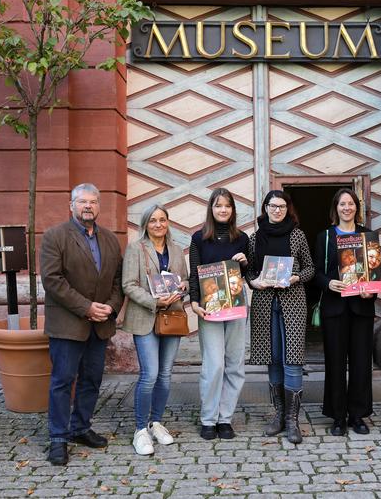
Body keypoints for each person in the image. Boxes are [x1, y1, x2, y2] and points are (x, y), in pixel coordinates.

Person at [40, 183, 124, 466]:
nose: (88, 206)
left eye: (93, 202)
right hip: (68, 324)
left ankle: (80, 427)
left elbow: (117, 281)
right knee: (63, 381)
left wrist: (110, 308)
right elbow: (52, 281)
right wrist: (86, 308)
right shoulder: (55, 237)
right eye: (82, 201)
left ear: (99, 206)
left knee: (92, 380)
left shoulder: (111, 240)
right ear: (71, 205)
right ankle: (58, 438)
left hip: (100, 324)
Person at [247, 190, 314, 444]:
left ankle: (292, 420)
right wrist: (255, 282)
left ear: (288, 209)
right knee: (273, 358)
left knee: (292, 359)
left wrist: (297, 277)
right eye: (273, 206)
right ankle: (278, 414)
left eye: (282, 206)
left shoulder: (297, 235)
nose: (277, 210)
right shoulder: (255, 238)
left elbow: (310, 268)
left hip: (293, 301)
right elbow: (251, 272)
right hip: (265, 303)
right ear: (265, 207)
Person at [122, 204, 189, 456]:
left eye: (162, 220)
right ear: (145, 224)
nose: (158, 224)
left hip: (171, 316)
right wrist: (154, 300)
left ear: (168, 222)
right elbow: (128, 285)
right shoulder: (135, 248)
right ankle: (140, 430)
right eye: (153, 220)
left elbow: (186, 281)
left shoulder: (175, 250)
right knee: (149, 374)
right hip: (145, 317)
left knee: (165, 374)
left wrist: (183, 286)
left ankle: (156, 422)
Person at [313, 188, 377, 436]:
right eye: (342, 204)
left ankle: (358, 415)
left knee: (361, 363)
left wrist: (370, 290)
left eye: (351, 204)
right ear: (335, 208)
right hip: (335, 307)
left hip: (361, 307)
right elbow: (315, 272)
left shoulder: (367, 236)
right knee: (335, 363)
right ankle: (338, 416)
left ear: (356, 208)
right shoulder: (325, 237)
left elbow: (374, 270)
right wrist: (328, 283)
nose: (347, 208)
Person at [188, 188, 250, 441]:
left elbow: (250, 273)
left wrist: (245, 262)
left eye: (227, 206)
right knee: (214, 365)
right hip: (209, 306)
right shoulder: (199, 238)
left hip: (236, 306)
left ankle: (225, 418)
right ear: (211, 209)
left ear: (233, 210)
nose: (223, 210)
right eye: (218, 205)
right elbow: (194, 272)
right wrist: (193, 301)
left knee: (234, 364)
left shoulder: (243, 238)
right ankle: (208, 419)